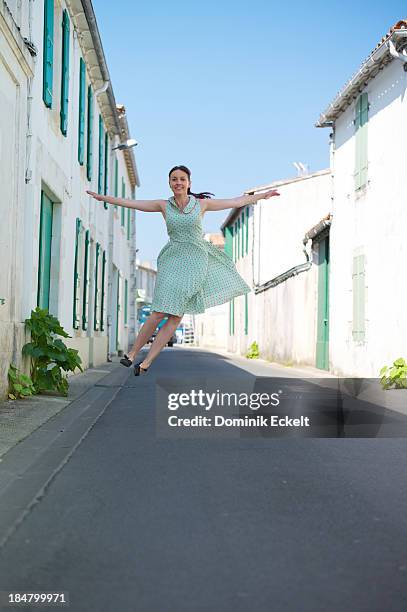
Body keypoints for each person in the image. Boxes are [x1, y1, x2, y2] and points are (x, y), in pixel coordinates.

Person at [86, 165, 280, 375]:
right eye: (174, 179)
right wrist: (102, 198)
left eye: (182, 179)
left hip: (195, 261)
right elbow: (132, 203)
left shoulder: (202, 204)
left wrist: (263, 195)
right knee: (159, 310)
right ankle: (132, 354)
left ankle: (146, 363)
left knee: (176, 315)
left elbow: (236, 201)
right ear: (169, 183)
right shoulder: (163, 205)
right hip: (171, 259)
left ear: (189, 183)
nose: (178, 182)